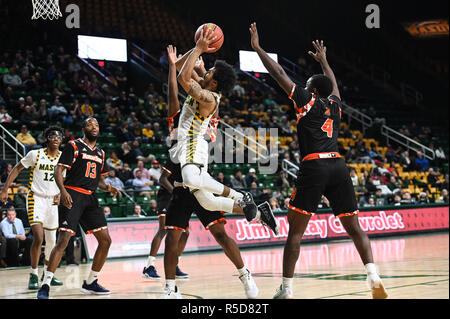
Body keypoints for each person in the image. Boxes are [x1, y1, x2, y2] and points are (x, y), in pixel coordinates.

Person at [249, 23, 388, 299]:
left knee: (295, 232)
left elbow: (278, 73)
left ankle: (286, 289)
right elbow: (334, 84)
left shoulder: (307, 101)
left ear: (312, 90)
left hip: (314, 165)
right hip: (338, 166)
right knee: (355, 228)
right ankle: (373, 276)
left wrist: (257, 48)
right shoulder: (335, 105)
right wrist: (324, 60)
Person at [171, 30, 277, 233]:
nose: (205, 71)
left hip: (193, 143)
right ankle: (259, 214)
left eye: (209, 72)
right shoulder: (204, 87)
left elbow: (183, 78)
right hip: (189, 145)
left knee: (191, 180)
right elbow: (179, 67)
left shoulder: (210, 98)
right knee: (208, 202)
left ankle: (240, 196)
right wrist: (196, 48)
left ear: (215, 82)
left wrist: (200, 49)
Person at [37, 117, 120, 299]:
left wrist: (109, 188)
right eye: (90, 124)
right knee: (63, 240)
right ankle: (45, 285)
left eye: (97, 124)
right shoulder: (73, 146)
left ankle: (91, 282)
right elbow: (58, 171)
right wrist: (63, 191)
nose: (94, 127)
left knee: (105, 241)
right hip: (73, 194)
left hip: (90, 197)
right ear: (84, 128)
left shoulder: (101, 153)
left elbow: (100, 181)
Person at [0, 126, 65, 289]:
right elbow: (16, 169)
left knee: (52, 241)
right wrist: (5, 188)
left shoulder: (63, 157)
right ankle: (33, 275)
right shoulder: (34, 154)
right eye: (52, 135)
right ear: (46, 139)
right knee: (38, 236)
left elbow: (63, 179)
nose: (56, 138)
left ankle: (47, 274)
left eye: (59, 136)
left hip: (52, 202)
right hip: (35, 198)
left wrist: (60, 193)